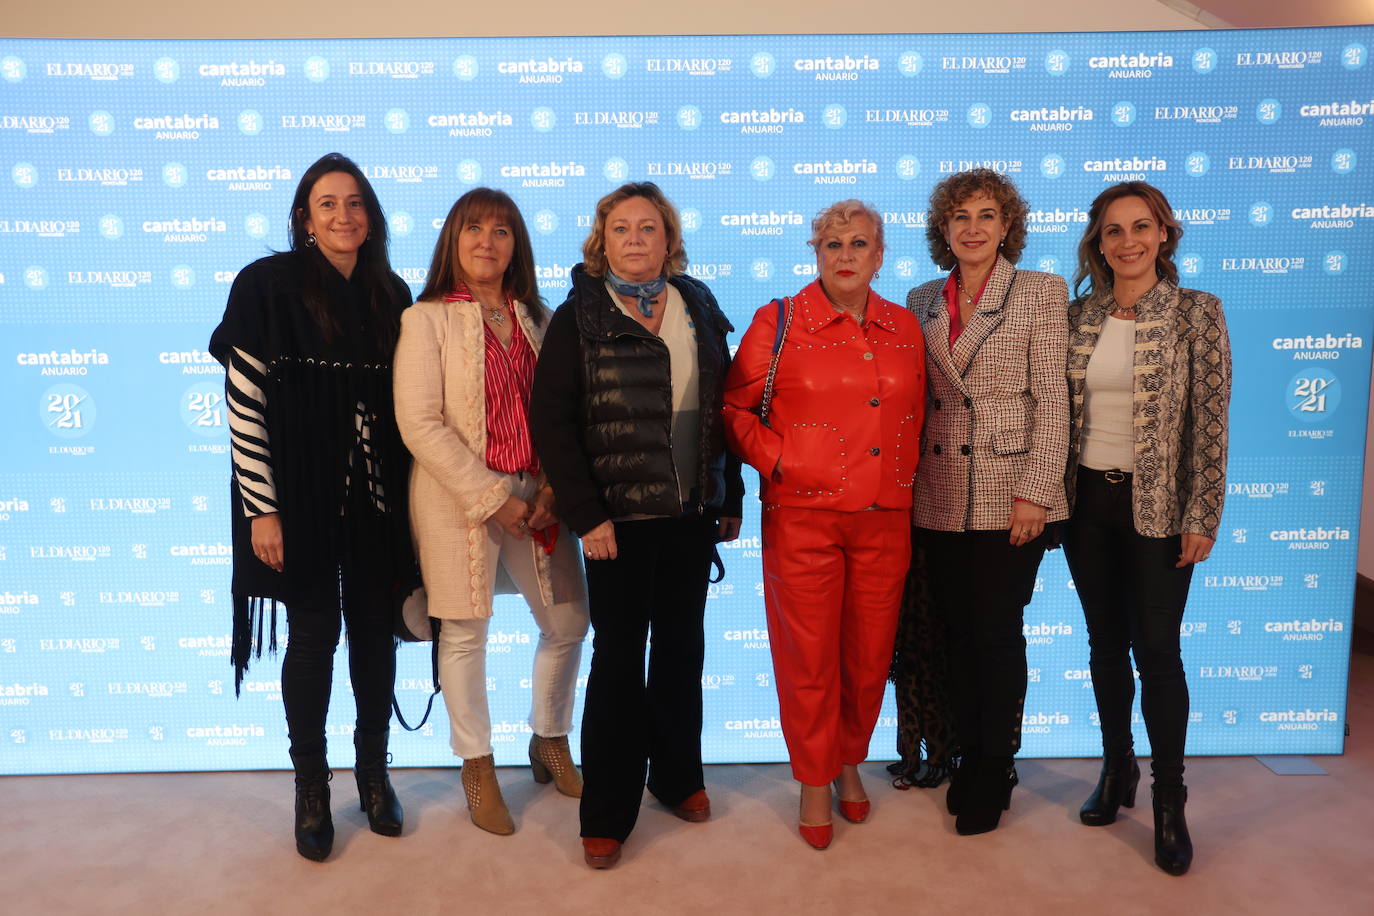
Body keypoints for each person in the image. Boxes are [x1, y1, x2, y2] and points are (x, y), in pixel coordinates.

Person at [209, 152, 417, 862]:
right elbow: (243, 404)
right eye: (327, 204)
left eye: (355, 203)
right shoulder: (265, 286)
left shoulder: (393, 293)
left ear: (371, 215)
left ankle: (374, 774)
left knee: (373, 637)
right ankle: (311, 790)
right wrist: (260, 510)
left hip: (376, 502)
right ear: (304, 217)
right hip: (294, 502)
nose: (343, 216)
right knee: (312, 637)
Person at [529, 181, 743, 869]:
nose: (634, 240)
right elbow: (553, 424)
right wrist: (587, 514)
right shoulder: (579, 315)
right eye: (620, 228)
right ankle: (607, 814)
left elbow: (720, 410)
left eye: (647, 228)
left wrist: (728, 493)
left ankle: (678, 777)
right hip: (616, 521)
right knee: (620, 664)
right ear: (602, 240)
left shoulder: (699, 304)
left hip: (689, 513)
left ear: (668, 239)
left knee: (683, 651)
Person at [723, 200, 926, 850]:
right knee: (808, 659)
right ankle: (814, 778)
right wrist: (784, 461)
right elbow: (735, 409)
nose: (845, 255)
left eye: (858, 244)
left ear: (879, 255)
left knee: (867, 660)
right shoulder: (779, 320)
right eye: (832, 243)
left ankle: (848, 762)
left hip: (886, 519)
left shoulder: (903, 327)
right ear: (816, 252)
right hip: (804, 518)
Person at [393, 188, 589, 836]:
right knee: (465, 633)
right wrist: (491, 497)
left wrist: (553, 489)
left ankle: (550, 737)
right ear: (453, 239)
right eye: (473, 228)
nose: (487, 241)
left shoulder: (539, 316)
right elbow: (420, 424)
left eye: (501, 231)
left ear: (516, 246)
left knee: (568, 622)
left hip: (539, 499)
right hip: (458, 503)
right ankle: (476, 761)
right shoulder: (426, 320)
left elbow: (566, 414)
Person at [1064, 181, 1231, 876]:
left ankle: (1170, 802)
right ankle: (1117, 771)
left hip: (1161, 512)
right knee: (1105, 647)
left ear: (1165, 233)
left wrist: (1203, 514)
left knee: (1157, 652)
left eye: (1140, 227)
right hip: (1086, 508)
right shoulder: (1078, 315)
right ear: (1098, 244)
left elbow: (1211, 423)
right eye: (1113, 231)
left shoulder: (1197, 313)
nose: (1127, 241)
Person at [906, 168, 1069, 836]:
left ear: (1008, 226)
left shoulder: (1039, 291)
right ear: (943, 230)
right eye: (959, 217)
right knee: (953, 636)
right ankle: (967, 753)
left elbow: (1054, 398)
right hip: (938, 495)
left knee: (996, 634)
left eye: (986, 215)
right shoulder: (921, 299)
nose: (972, 228)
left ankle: (996, 764)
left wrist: (1037, 491)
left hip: (1011, 498)